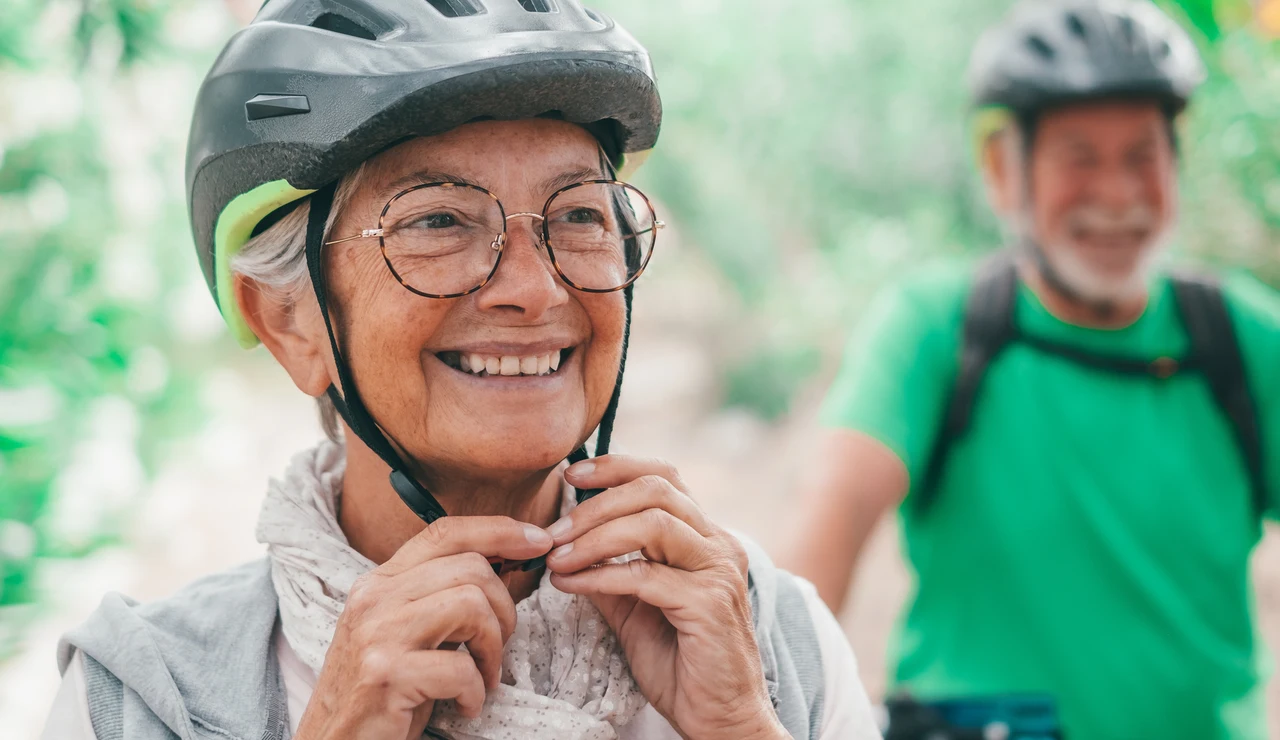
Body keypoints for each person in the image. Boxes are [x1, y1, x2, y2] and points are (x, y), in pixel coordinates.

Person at [40, 2, 880, 739]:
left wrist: (741, 729)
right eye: (438, 219)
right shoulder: (143, 699)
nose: (534, 288)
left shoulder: (772, 640)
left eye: (580, 215)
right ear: (289, 320)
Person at [783, 0, 1280, 738]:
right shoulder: (938, 326)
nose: (1117, 195)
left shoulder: (1239, 337)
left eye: (1142, 156)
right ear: (1002, 170)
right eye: (1080, 158)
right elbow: (833, 523)